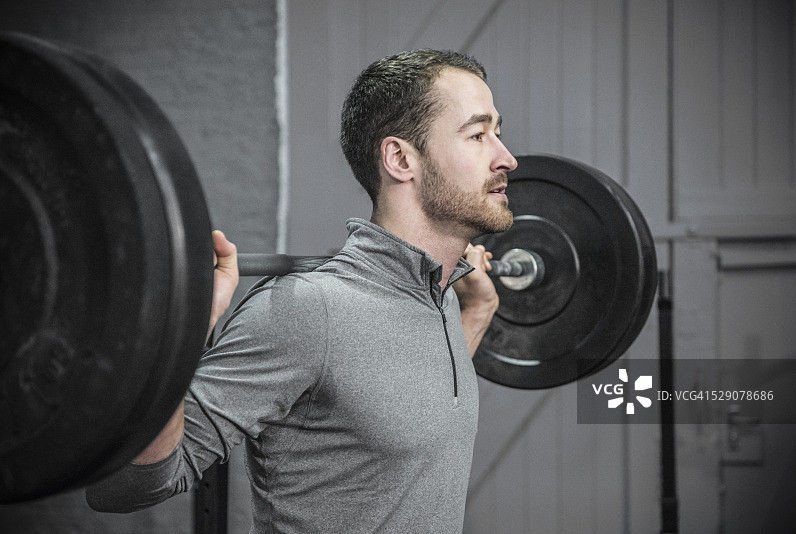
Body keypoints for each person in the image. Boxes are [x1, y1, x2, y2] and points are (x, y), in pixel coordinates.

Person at [87, 49, 518, 533]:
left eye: (497, 133)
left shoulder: (439, 296)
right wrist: (180, 336)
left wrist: (479, 308)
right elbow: (120, 489)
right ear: (400, 159)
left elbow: (414, 401)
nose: (507, 158)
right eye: (478, 135)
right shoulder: (307, 311)